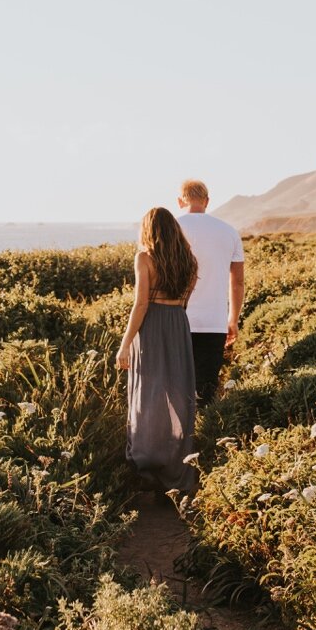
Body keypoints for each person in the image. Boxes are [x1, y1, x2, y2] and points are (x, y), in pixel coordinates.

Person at [116, 206, 200, 496]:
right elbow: (185, 301)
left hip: (151, 326)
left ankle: (146, 463)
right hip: (178, 325)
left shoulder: (144, 258)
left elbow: (140, 304)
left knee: (147, 394)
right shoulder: (189, 260)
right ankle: (177, 466)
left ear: (148, 230)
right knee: (179, 394)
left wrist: (125, 343)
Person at [174, 179, 245, 406]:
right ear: (207, 201)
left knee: (176, 388)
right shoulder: (229, 231)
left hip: (175, 319)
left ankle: (177, 437)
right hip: (214, 322)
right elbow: (238, 282)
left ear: (179, 201)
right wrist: (232, 320)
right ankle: (205, 437)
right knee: (205, 392)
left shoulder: (171, 227)